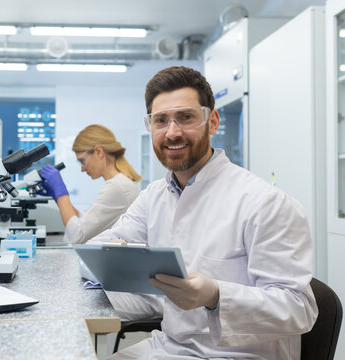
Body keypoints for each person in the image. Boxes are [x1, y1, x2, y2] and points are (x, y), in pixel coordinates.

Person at [88, 66, 318, 359]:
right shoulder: (155, 196)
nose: (172, 132)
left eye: (186, 117)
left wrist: (215, 295)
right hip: (170, 346)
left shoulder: (264, 203)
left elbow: (300, 309)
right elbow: (100, 248)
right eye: (161, 120)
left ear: (212, 122)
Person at [40, 124, 142, 244]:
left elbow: (77, 235)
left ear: (99, 152)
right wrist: (56, 196)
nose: (82, 169)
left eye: (82, 161)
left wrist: (61, 192)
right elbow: (84, 222)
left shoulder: (117, 186)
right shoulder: (119, 183)